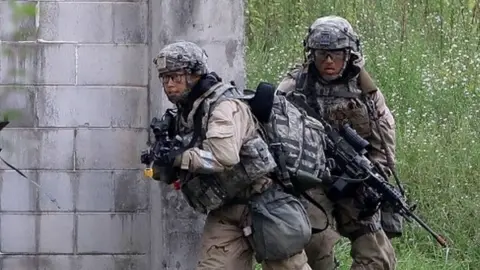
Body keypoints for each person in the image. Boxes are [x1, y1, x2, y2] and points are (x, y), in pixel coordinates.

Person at [142, 41, 313, 270]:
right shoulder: (181, 115)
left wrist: (181, 158)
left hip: (264, 201)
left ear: (194, 74)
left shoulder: (224, 106)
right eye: (165, 78)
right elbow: (168, 169)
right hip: (225, 209)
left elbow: (224, 157)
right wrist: (163, 165)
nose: (169, 85)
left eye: (176, 77)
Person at [276, 15, 400, 270]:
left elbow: (383, 149)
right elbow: (273, 134)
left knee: (379, 257)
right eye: (322, 54)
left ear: (349, 54)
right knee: (315, 245)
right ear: (312, 55)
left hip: (353, 181)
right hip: (310, 182)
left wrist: (372, 177)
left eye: (336, 54)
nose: (329, 61)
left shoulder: (366, 94)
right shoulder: (293, 88)